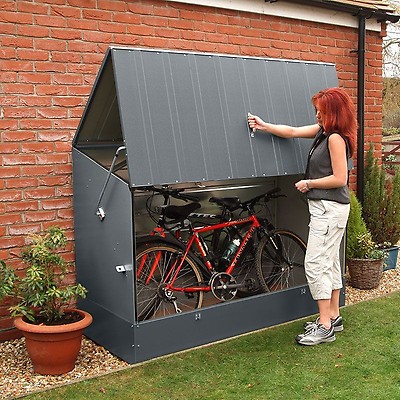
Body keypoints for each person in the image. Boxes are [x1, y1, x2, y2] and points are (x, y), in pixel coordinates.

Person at [248, 87, 357, 346]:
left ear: (334, 113)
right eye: (316, 111)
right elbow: (294, 132)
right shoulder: (324, 132)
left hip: (329, 209)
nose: (317, 115)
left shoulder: (335, 139)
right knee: (329, 262)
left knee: (315, 264)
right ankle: (333, 315)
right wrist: (264, 126)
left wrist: (309, 183)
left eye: (321, 111)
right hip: (327, 209)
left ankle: (324, 326)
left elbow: (340, 179)